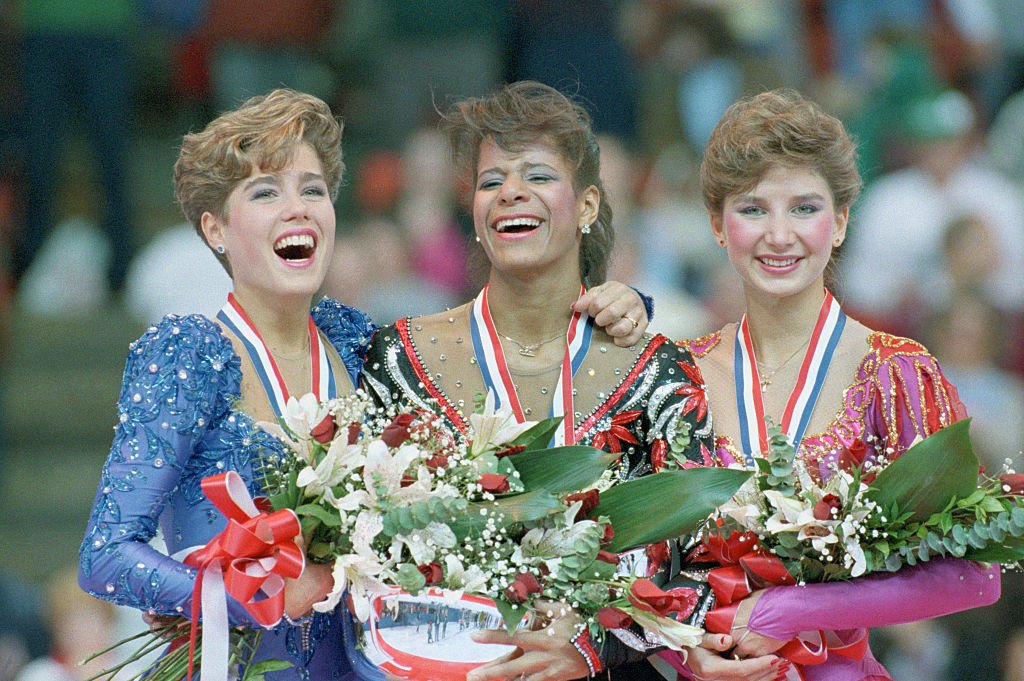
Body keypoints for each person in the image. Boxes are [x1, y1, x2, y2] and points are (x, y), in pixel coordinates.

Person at [77, 87, 649, 681]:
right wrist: (248, 596)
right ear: (215, 228)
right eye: (266, 192)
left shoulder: (359, 343)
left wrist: (618, 306)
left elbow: (491, 342)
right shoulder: (188, 355)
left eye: (313, 190)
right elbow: (105, 556)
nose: (296, 208)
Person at [359, 81, 775, 681]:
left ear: (586, 206)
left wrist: (597, 641)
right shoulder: (398, 356)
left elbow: (707, 561)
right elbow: (362, 540)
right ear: (472, 213)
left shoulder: (655, 369)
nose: (512, 194)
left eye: (538, 175)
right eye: (491, 180)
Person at [670, 88, 1001, 680]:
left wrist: (790, 608)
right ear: (717, 226)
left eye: (803, 208)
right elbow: (628, 566)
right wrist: (677, 645)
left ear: (842, 220)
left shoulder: (897, 372)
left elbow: (974, 574)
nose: (778, 234)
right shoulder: (673, 376)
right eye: (752, 209)